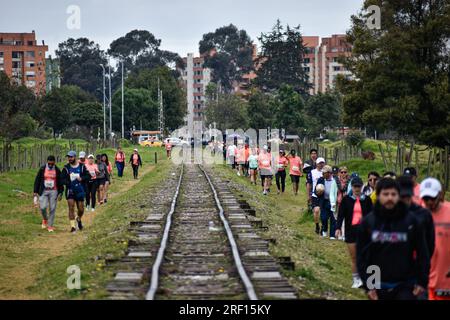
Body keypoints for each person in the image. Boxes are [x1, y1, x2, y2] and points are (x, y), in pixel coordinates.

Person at [357, 178, 430, 300]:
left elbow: (423, 252)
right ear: (378, 196)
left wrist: (422, 282)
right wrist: (369, 286)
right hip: (378, 283)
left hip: (406, 284)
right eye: (385, 194)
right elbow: (363, 256)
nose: (390, 198)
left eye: (393, 194)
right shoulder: (368, 222)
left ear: (398, 196)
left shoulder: (411, 221)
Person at [336, 176, 373, 288]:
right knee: (354, 257)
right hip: (351, 231)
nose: (357, 189)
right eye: (355, 186)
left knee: (366, 256)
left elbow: (372, 216)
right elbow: (341, 215)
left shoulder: (367, 200)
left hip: (364, 232)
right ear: (351, 187)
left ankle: (368, 280)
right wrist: (337, 228)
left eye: (359, 186)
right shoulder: (346, 199)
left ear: (362, 187)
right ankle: (356, 279)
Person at [420, 177, 450, 300]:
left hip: (445, 278)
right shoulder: (418, 215)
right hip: (424, 278)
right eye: (425, 198)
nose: (428, 202)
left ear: (440, 194)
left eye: (431, 198)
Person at [61, 151, 90, 233]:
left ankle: (79, 218)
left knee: (81, 209)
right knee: (71, 207)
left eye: (71, 157)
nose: (69, 159)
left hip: (80, 190)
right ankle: (73, 226)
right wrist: (68, 182)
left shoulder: (82, 167)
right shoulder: (66, 168)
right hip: (70, 190)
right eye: (68, 157)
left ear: (75, 157)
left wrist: (82, 178)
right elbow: (61, 179)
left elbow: (88, 176)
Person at [33, 155, 64, 232]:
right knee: (43, 207)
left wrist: (60, 192)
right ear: (47, 162)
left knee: (52, 208)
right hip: (43, 190)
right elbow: (37, 180)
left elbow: (60, 182)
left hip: (54, 191)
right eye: (49, 163)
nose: (50, 165)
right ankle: (45, 219)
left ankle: (50, 226)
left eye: (52, 164)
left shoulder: (57, 170)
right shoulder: (42, 169)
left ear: (54, 163)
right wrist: (35, 191)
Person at [314, 165, 338, 239]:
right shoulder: (321, 180)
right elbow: (315, 191)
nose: (322, 174)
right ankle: (324, 230)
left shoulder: (335, 180)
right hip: (324, 201)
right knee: (323, 217)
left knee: (333, 218)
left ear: (329, 173)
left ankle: (332, 235)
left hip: (333, 202)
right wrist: (318, 192)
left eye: (324, 173)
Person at [307, 157, 325, 234]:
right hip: (315, 195)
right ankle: (317, 225)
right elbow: (309, 184)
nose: (321, 165)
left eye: (322, 163)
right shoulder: (312, 172)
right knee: (316, 211)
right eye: (319, 163)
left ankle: (323, 227)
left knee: (324, 213)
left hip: (325, 196)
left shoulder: (326, 172)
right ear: (316, 164)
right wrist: (309, 195)